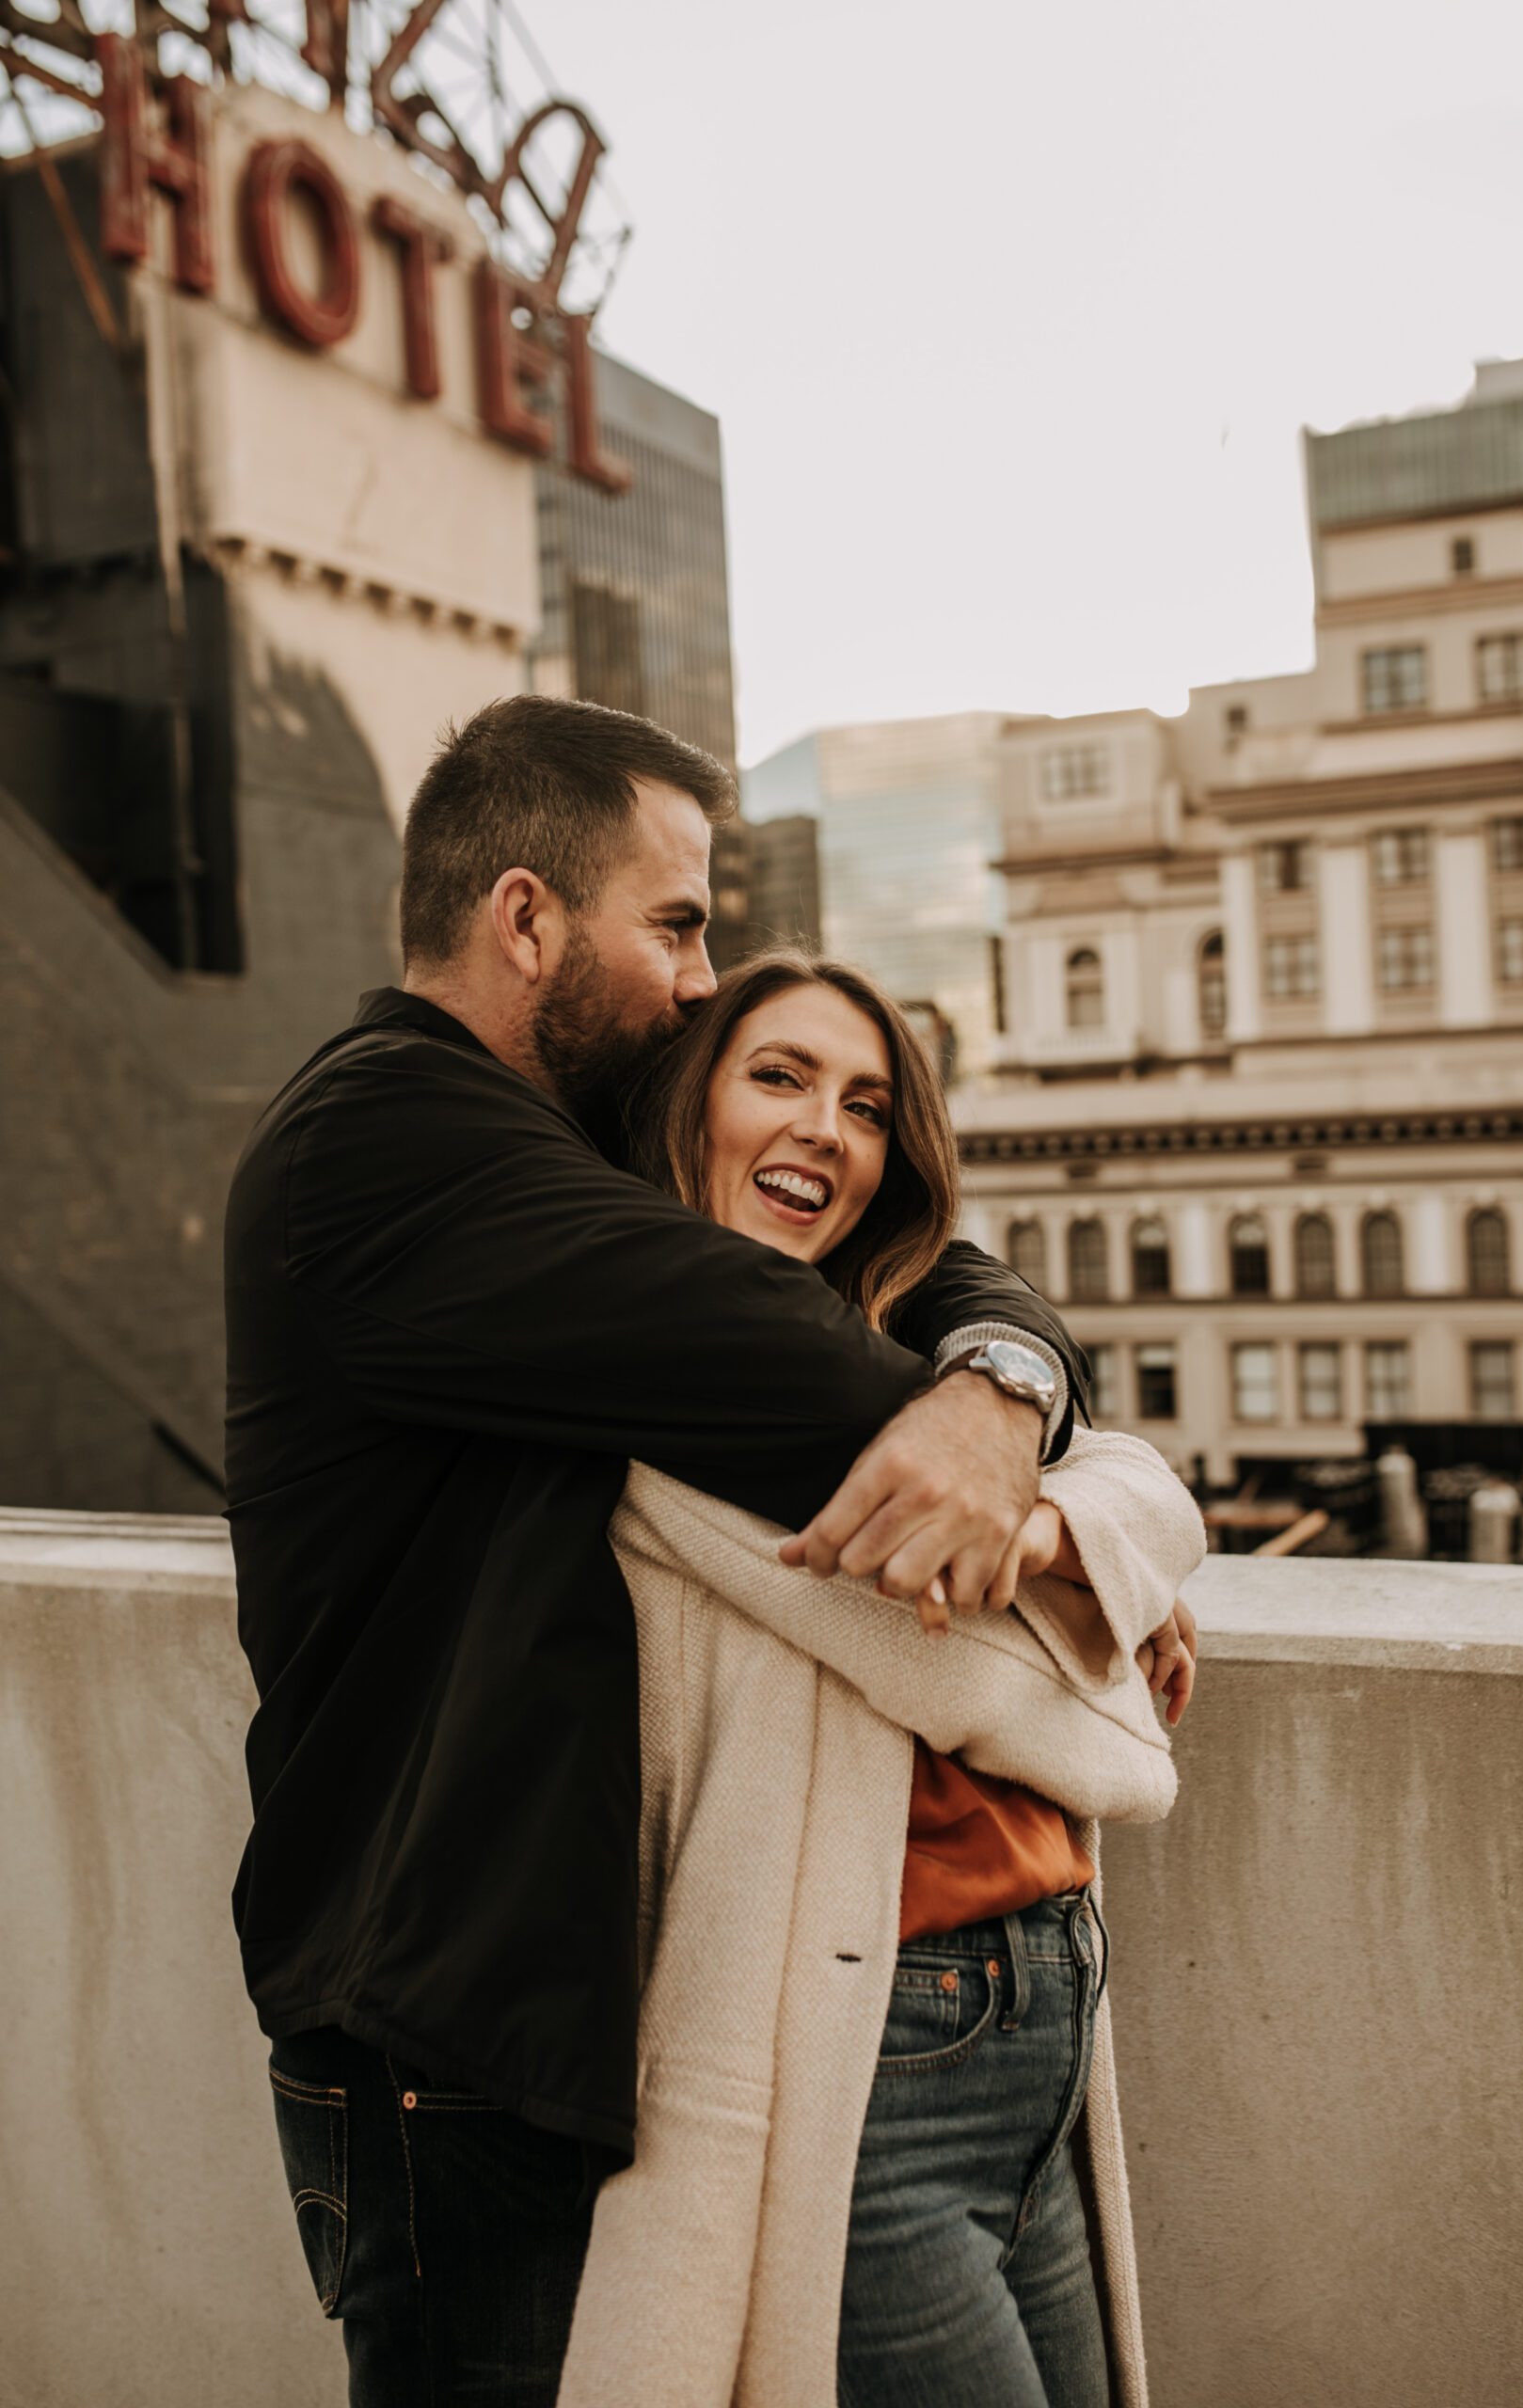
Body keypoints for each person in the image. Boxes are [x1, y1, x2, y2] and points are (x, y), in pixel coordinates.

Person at [225, 694, 1088, 2402]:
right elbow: (814, 1367)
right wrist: (1005, 1425)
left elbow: (904, 1285)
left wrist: (1000, 1373)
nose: (701, 977)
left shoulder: (506, 1152)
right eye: (677, 925)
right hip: (440, 2044)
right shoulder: (391, 1143)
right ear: (526, 915)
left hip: (504, 2021)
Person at [555, 950, 1205, 2408]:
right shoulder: (678, 1402)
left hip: (1045, 2009)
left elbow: (1150, 1488)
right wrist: (1102, 1573)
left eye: (864, 1106)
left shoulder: (907, 1359)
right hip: (877, 2058)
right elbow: (1047, 1689)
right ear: (687, 1108)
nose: (825, 1131)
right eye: (776, 1077)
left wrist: (1043, 1521)